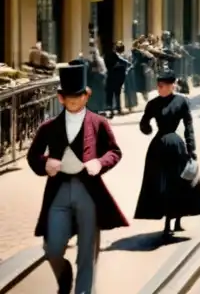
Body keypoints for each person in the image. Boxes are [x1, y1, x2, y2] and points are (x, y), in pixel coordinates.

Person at [27, 58, 127, 294]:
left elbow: (114, 152)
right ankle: (63, 274)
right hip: (58, 192)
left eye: (78, 98)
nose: (73, 103)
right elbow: (33, 157)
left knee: (86, 253)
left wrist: (100, 162)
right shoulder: (49, 127)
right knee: (52, 247)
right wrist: (45, 163)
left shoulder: (99, 123)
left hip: (89, 192)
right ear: (61, 98)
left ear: (87, 95)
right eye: (69, 99)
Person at [134, 68, 200, 240]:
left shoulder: (182, 102)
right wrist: (147, 127)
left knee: (180, 183)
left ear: (172, 86)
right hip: (159, 148)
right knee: (163, 185)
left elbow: (189, 126)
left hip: (176, 147)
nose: (159, 88)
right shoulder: (152, 104)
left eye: (163, 85)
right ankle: (167, 222)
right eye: (158, 85)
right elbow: (144, 123)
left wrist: (192, 149)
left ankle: (178, 221)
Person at [103, 42, 131, 117]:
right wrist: (126, 63)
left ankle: (112, 109)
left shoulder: (106, 55)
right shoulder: (113, 54)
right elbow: (122, 62)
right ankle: (117, 109)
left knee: (111, 94)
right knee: (117, 93)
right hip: (116, 77)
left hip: (110, 76)